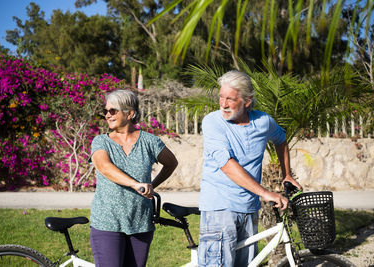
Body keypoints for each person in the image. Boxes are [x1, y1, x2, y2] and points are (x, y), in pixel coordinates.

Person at [198, 70, 302, 266]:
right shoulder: (212, 122)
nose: (223, 104)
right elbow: (227, 166)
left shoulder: (263, 122)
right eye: (221, 97)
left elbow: (281, 140)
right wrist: (265, 193)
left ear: (247, 101)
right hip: (219, 208)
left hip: (248, 208)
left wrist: (287, 174)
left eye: (230, 99)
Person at [89, 89, 178, 267]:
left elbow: (171, 163)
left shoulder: (149, 141)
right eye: (105, 111)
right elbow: (104, 167)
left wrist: (153, 185)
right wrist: (136, 184)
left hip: (141, 222)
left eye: (112, 110)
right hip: (107, 221)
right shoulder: (101, 141)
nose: (107, 115)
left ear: (129, 113)